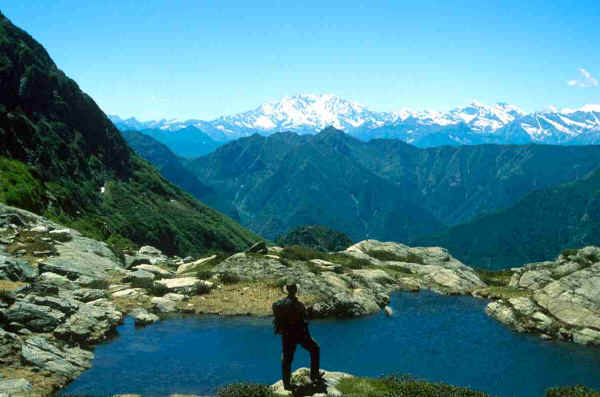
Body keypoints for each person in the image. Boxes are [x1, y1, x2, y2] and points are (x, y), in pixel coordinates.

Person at [272, 283, 321, 390]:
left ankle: (286, 384)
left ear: (287, 290)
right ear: (296, 290)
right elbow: (304, 321)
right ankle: (315, 375)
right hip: (300, 334)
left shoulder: (280, 304)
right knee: (315, 349)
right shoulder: (299, 305)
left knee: (286, 358)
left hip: (287, 334)